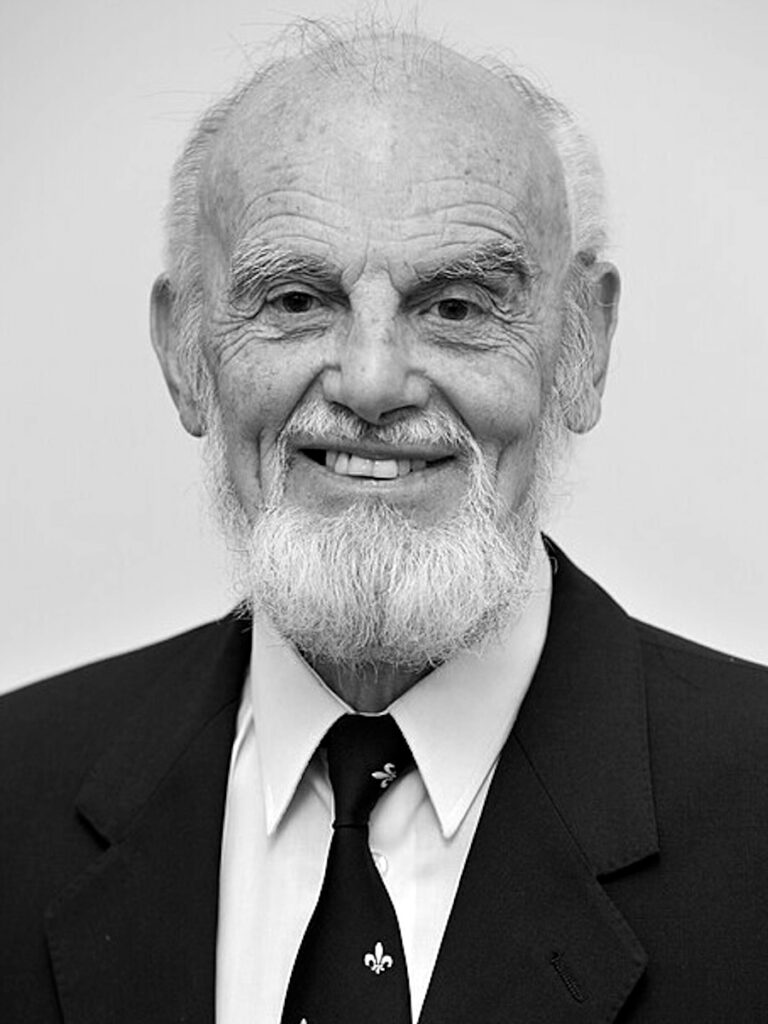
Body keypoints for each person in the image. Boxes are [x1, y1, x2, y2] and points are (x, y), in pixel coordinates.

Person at [2, 22, 767, 1024]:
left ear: (583, 347)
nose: (370, 383)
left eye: (456, 306)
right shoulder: (14, 789)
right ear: (186, 354)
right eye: (295, 299)